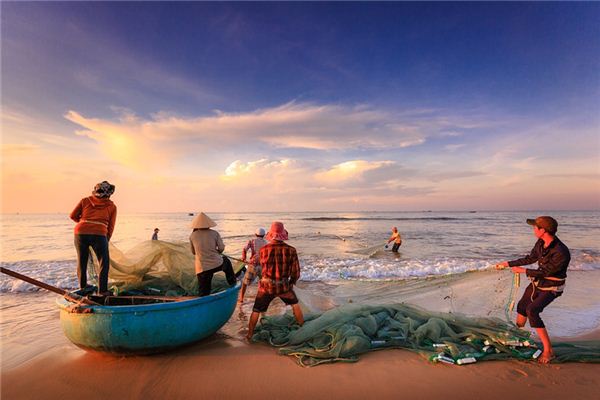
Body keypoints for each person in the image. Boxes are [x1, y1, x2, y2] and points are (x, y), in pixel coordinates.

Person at [496, 216, 570, 364]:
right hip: (538, 282)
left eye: (535, 227)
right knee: (522, 306)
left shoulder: (561, 251)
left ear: (542, 230)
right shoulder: (541, 242)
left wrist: (523, 271)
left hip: (552, 286)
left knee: (532, 310)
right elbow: (531, 258)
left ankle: (548, 350)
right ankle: (517, 337)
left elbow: (546, 272)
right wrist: (508, 263)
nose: (533, 229)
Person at [246, 221, 304, 341]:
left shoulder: (263, 250)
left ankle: (249, 335)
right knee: (295, 305)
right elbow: (296, 272)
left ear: (271, 235)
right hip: (283, 286)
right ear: (283, 235)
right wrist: (291, 284)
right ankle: (303, 330)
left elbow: (258, 267)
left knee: (256, 310)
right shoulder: (291, 250)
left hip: (266, 286)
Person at [69, 181, 117, 295]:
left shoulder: (85, 201)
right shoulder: (112, 206)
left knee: (82, 261)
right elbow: (111, 226)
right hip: (99, 234)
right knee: (103, 262)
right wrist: (106, 238)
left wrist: (84, 223)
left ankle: (83, 287)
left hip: (80, 233)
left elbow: (72, 216)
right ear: (109, 193)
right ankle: (102, 291)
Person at [189, 212, 236, 296]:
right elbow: (221, 248)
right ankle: (233, 283)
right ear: (208, 224)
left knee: (204, 291)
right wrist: (218, 251)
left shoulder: (192, 235)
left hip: (201, 267)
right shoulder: (214, 233)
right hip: (216, 263)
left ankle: (204, 304)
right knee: (226, 262)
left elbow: (193, 252)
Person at [238, 227, 267, 304]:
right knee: (262, 282)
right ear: (264, 235)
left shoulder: (252, 241)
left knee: (245, 282)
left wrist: (243, 258)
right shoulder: (266, 243)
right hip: (262, 265)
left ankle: (241, 299)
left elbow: (244, 249)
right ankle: (261, 298)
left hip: (253, 265)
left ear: (255, 234)